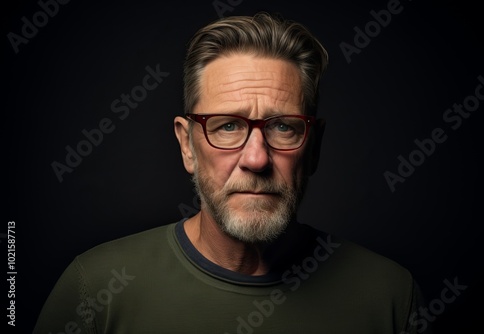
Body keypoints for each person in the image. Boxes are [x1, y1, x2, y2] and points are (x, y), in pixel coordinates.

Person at [34, 12, 427, 334]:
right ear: (187, 144)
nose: (256, 159)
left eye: (283, 127)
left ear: (314, 146)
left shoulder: (390, 296)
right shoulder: (96, 288)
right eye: (227, 126)